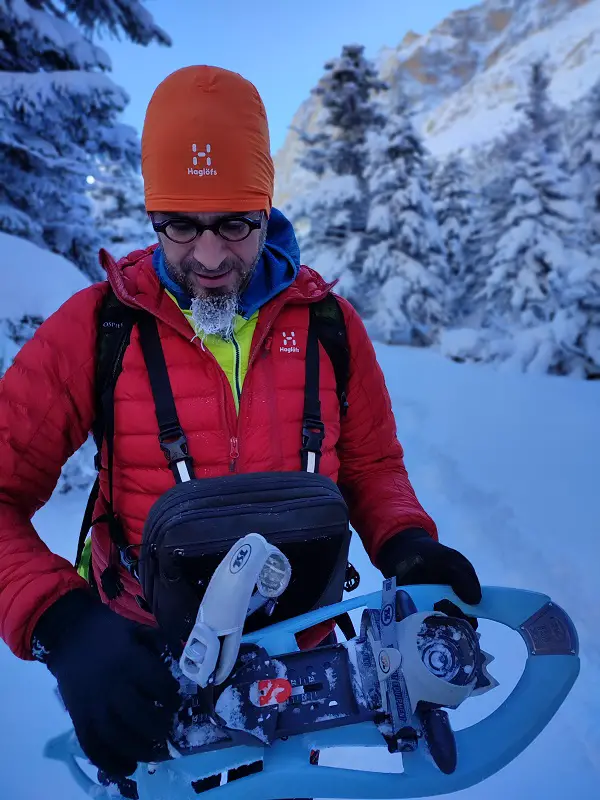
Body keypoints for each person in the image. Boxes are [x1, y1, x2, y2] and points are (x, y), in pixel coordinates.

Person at [0, 65, 481, 781]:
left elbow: (374, 467)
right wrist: (62, 626)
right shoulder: (96, 330)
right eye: (181, 226)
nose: (212, 256)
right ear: (151, 214)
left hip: (306, 677)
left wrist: (406, 540)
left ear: (267, 207)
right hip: (145, 677)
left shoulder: (329, 326)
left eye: (235, 222)